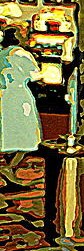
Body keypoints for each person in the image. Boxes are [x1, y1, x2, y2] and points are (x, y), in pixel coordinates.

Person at [0, 27, 42, 192]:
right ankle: (10, 167)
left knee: (9, 134)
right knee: (26, 135)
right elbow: (36, 76)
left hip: (4, 96)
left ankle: (9, 170)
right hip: (19, 97)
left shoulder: (2, 53)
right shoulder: (21, 54)